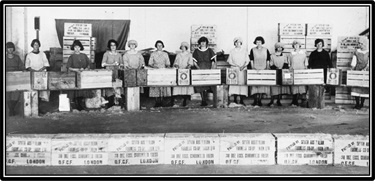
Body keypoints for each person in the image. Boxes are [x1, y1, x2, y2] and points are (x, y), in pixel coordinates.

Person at [66, 40, 92, 111]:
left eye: (78, 47)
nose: (77, 49)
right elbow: (68, 67)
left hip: (83, 75)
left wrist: (85, 69)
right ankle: (76, 105)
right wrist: (76, 70)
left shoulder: (84, 56)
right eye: (75, 47)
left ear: (80, 48)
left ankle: (82, 104)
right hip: (74, 76)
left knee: (83, 90)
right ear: (73, 48)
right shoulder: (71, 57)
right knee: (76, 91)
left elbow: (89, 64)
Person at [192, 36, 217, 106]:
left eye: (204, 42)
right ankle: (203, 100)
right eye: (201, 42)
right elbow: (194, 62)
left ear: (206, 43)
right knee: (201, 85)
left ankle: (206, 99)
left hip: (208, 69)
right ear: (199, 43)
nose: (203, 43)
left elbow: (213, 61)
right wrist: (198, 68)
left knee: (207, 84)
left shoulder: (209, 50)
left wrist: (211, 69)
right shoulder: (196, 51)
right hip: (199, 69)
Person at [25, 39, 50, 103]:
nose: (36, 46)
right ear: (32, 45)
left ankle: (43, 100)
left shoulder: (42, 54)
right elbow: (27, 66)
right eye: (34, 44)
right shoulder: (29, 55)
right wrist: (34, 71)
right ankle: (34, 100)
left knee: (44, 87)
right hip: (33, 73)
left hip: (42, 73)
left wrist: (40, 70)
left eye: (37, 44)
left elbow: (46, 64)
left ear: (39, 45)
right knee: (33, 89)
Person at [148, 40, 172, 107]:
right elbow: (150, 63)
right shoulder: (153, 54)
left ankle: (163, 101)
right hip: (155, 72)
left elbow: (168, 63)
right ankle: (157, 102)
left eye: (161, 45)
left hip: (163, 72)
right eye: (158, 45)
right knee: (156, 86)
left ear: (163, 46)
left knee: (163, 86)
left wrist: (167, 67)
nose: (159, 47)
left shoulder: (165, 54)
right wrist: (153, 66)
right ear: (156, 46)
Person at [227, 37, 250, 105]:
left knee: (242, 84)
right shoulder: (232, 51)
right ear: (234, 43)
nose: (238, 44)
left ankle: (242, 100)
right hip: (234, 69)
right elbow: (230, 61)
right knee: (234, 83)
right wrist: (236, 65)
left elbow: (247, 60)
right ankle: (234, 99)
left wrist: (243, 66)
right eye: (236, 42)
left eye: (239, 42)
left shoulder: (244, 51)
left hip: (242, 69)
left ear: (241, 43)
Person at [249, 36, 271, 106]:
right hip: (255, 69)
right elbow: (251, 60)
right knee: (255, 85)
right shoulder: (252, 50)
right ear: (255, 42)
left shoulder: (266, 50)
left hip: (263, 69)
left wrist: (267, 68)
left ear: (262, 42)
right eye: (257, 42)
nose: (258, 43)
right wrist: (253, 68)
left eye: (260, 42)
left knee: (262, 85)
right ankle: (255, 100)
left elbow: (268, 60)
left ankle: (260, 100)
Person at [171, 42, 195, 107]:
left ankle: (185, 100)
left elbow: (191, 63)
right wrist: (176, 65)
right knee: (179, 85)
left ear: (186, 48)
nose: (183, 48)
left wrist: (188, 67)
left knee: (186, 85)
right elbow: (175, 62)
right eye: (182, 47)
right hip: (179, 71)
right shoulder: (178, 55)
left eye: (184, 47)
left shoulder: (189, 54)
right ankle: (179, 99)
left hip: (186, 72)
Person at [102, 39, 123, 108]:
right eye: (111, 45)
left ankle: (117, 102)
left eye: (114, 45)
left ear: (116, 46)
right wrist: (111, 64)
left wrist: (119, 64)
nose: (113, 47)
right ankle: (110, 103)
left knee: (117, 87)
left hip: (116, 72)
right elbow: (103, 64)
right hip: (108, 73)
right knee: (109, 87)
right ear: (109, 46)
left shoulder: (119, 55)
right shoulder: (106, 54)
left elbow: (122, 64)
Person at [268, 42, 290, 106]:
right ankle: (272, 100)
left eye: (280, 47)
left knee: (280, 87)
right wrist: (275, 68)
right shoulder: (272, 55)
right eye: (278, 47)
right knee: (273, 87)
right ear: (276, 48)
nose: (279, 48)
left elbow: (286, 63)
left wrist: (282, 69)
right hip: (274, 72)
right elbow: (271, 64)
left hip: (281, 72)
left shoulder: (284, 56)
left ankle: (278, 101)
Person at [6, 42, 25, 116]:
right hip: (7, 79)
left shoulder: (17, 57)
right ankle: (11, 110)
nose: (10, 49)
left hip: (16, 78)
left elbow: (22, 67)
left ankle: (11, 109)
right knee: (8, 94)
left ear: (13, 49)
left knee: (16, 94)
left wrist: (22, 71)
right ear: (6, 49)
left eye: (11, 48)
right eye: (8, 48)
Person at [350, 36, 369, 109]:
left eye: (361, 44)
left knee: (363, 87)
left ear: (365, 44)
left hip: (366, 71)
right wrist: (351, 69)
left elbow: (369, 63)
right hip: (357, 70)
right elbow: (354, 62)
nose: (360, 45)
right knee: (356, 87)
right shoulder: (357, 52)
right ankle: (357, 104)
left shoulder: (369, 52)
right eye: (359, 43)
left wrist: (366, 68)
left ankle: (362, 103)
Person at [289, 40, 308, 107]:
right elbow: (289, 63)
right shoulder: (291, 53)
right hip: (293, 71)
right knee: (294, 87)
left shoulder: (303, 53)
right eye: (295, 45)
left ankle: (302, 102)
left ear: (300, 46)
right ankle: (294, 101)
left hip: (301, 71)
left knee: (301, 86)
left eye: (297, 45)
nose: (296, 46)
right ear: (293, 46)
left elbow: (306, 63)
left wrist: (305, 70)